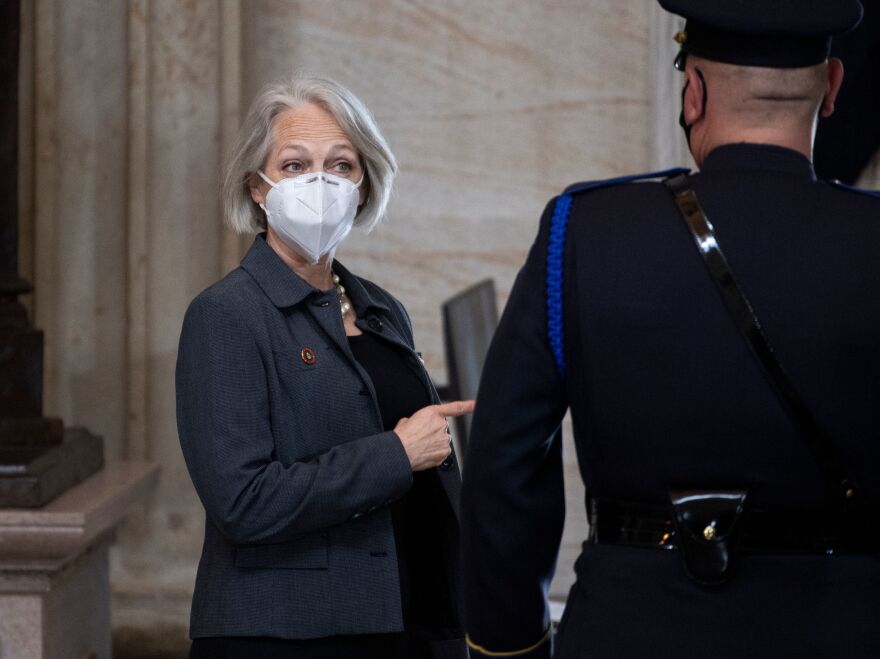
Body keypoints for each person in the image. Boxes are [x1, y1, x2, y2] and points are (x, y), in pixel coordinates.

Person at [460, 2, 880, 657]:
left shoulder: (585, 231)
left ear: (695, 91)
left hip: (626, 632)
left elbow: (504, 462)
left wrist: (509, 639)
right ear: (831, 88)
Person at [176, 74, 473, 659]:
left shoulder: (381, 308)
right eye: (293, 165)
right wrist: (396, 453)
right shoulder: (225, 315)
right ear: (256, 187)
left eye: (341, 165)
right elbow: (242, 501)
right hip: (286, 633)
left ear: (364, 186)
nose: (320, 181)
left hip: (406, 615)